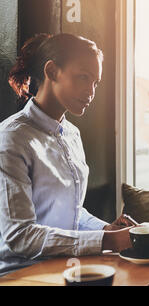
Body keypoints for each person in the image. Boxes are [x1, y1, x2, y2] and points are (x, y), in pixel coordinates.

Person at [0, 33, 134, 276]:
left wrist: (107, 230)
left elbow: (69, 212)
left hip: (64, 267)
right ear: (51, 71)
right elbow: (19, 236)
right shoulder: (12, 138)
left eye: (95, 82)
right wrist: (107, 242)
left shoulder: (72, 134)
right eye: (84, 77)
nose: (91, 91)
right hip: (20, 274)